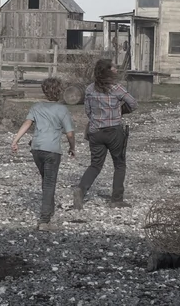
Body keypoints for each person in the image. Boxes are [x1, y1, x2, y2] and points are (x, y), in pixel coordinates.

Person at [11, 77, 76, 231]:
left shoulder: (36, 107)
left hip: (36, 148)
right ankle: (44, 220)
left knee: (45, 179)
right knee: (49, 182)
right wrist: (73, 147)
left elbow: (27, 124)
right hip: (52, 150)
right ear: (60, 92)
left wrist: (15, 140)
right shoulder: (62, 110)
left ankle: (49, 209)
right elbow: (70, 133)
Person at [72, 58, 137, 209]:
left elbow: (88, 111)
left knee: (95, 165)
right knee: (119, 164)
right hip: (114, 130)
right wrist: (120, 111)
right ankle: (116, 199)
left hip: (95, 131)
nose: (116, 69)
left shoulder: (89, 89)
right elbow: (133, 103)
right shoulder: (116, 88)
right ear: (108, 71)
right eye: (114, 68)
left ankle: (81, 191)